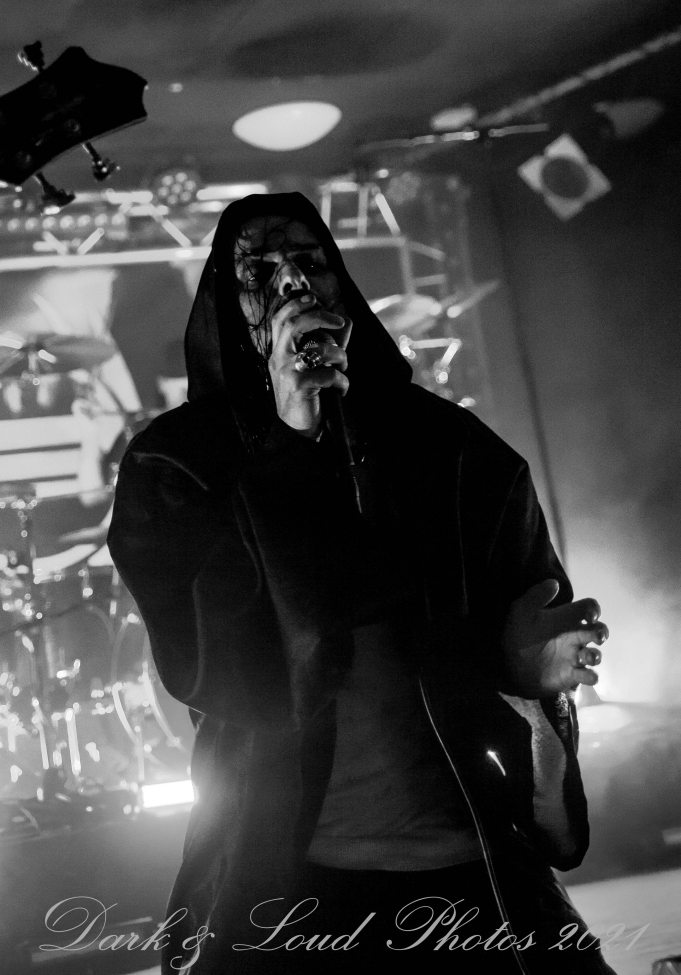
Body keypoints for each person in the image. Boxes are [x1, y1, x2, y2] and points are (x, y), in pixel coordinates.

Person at [108, 193, 615, 975]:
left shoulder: (448, 448)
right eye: (258, 271)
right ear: (227, 305)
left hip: (468, 858)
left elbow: (527, 626)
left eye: (308, 263)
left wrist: (533, 679)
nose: (291, 286)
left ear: (340, 285)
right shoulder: (179, 466)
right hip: (286, 875)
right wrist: (290, 441)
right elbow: (215, 668)